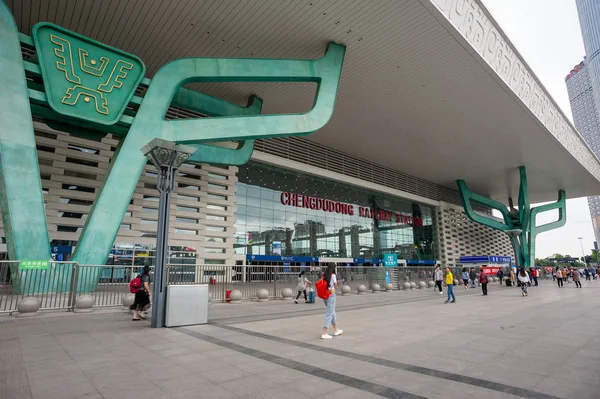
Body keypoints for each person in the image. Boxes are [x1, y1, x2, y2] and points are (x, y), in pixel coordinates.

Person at [321, 263, 342, 339]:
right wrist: (337, 283)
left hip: (325, 295)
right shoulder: (333, 275)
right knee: (329, 313)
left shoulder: (324, 275)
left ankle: (336, 330)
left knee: (332, 312)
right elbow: (336, 286)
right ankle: (324, 332)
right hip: (331, 294)